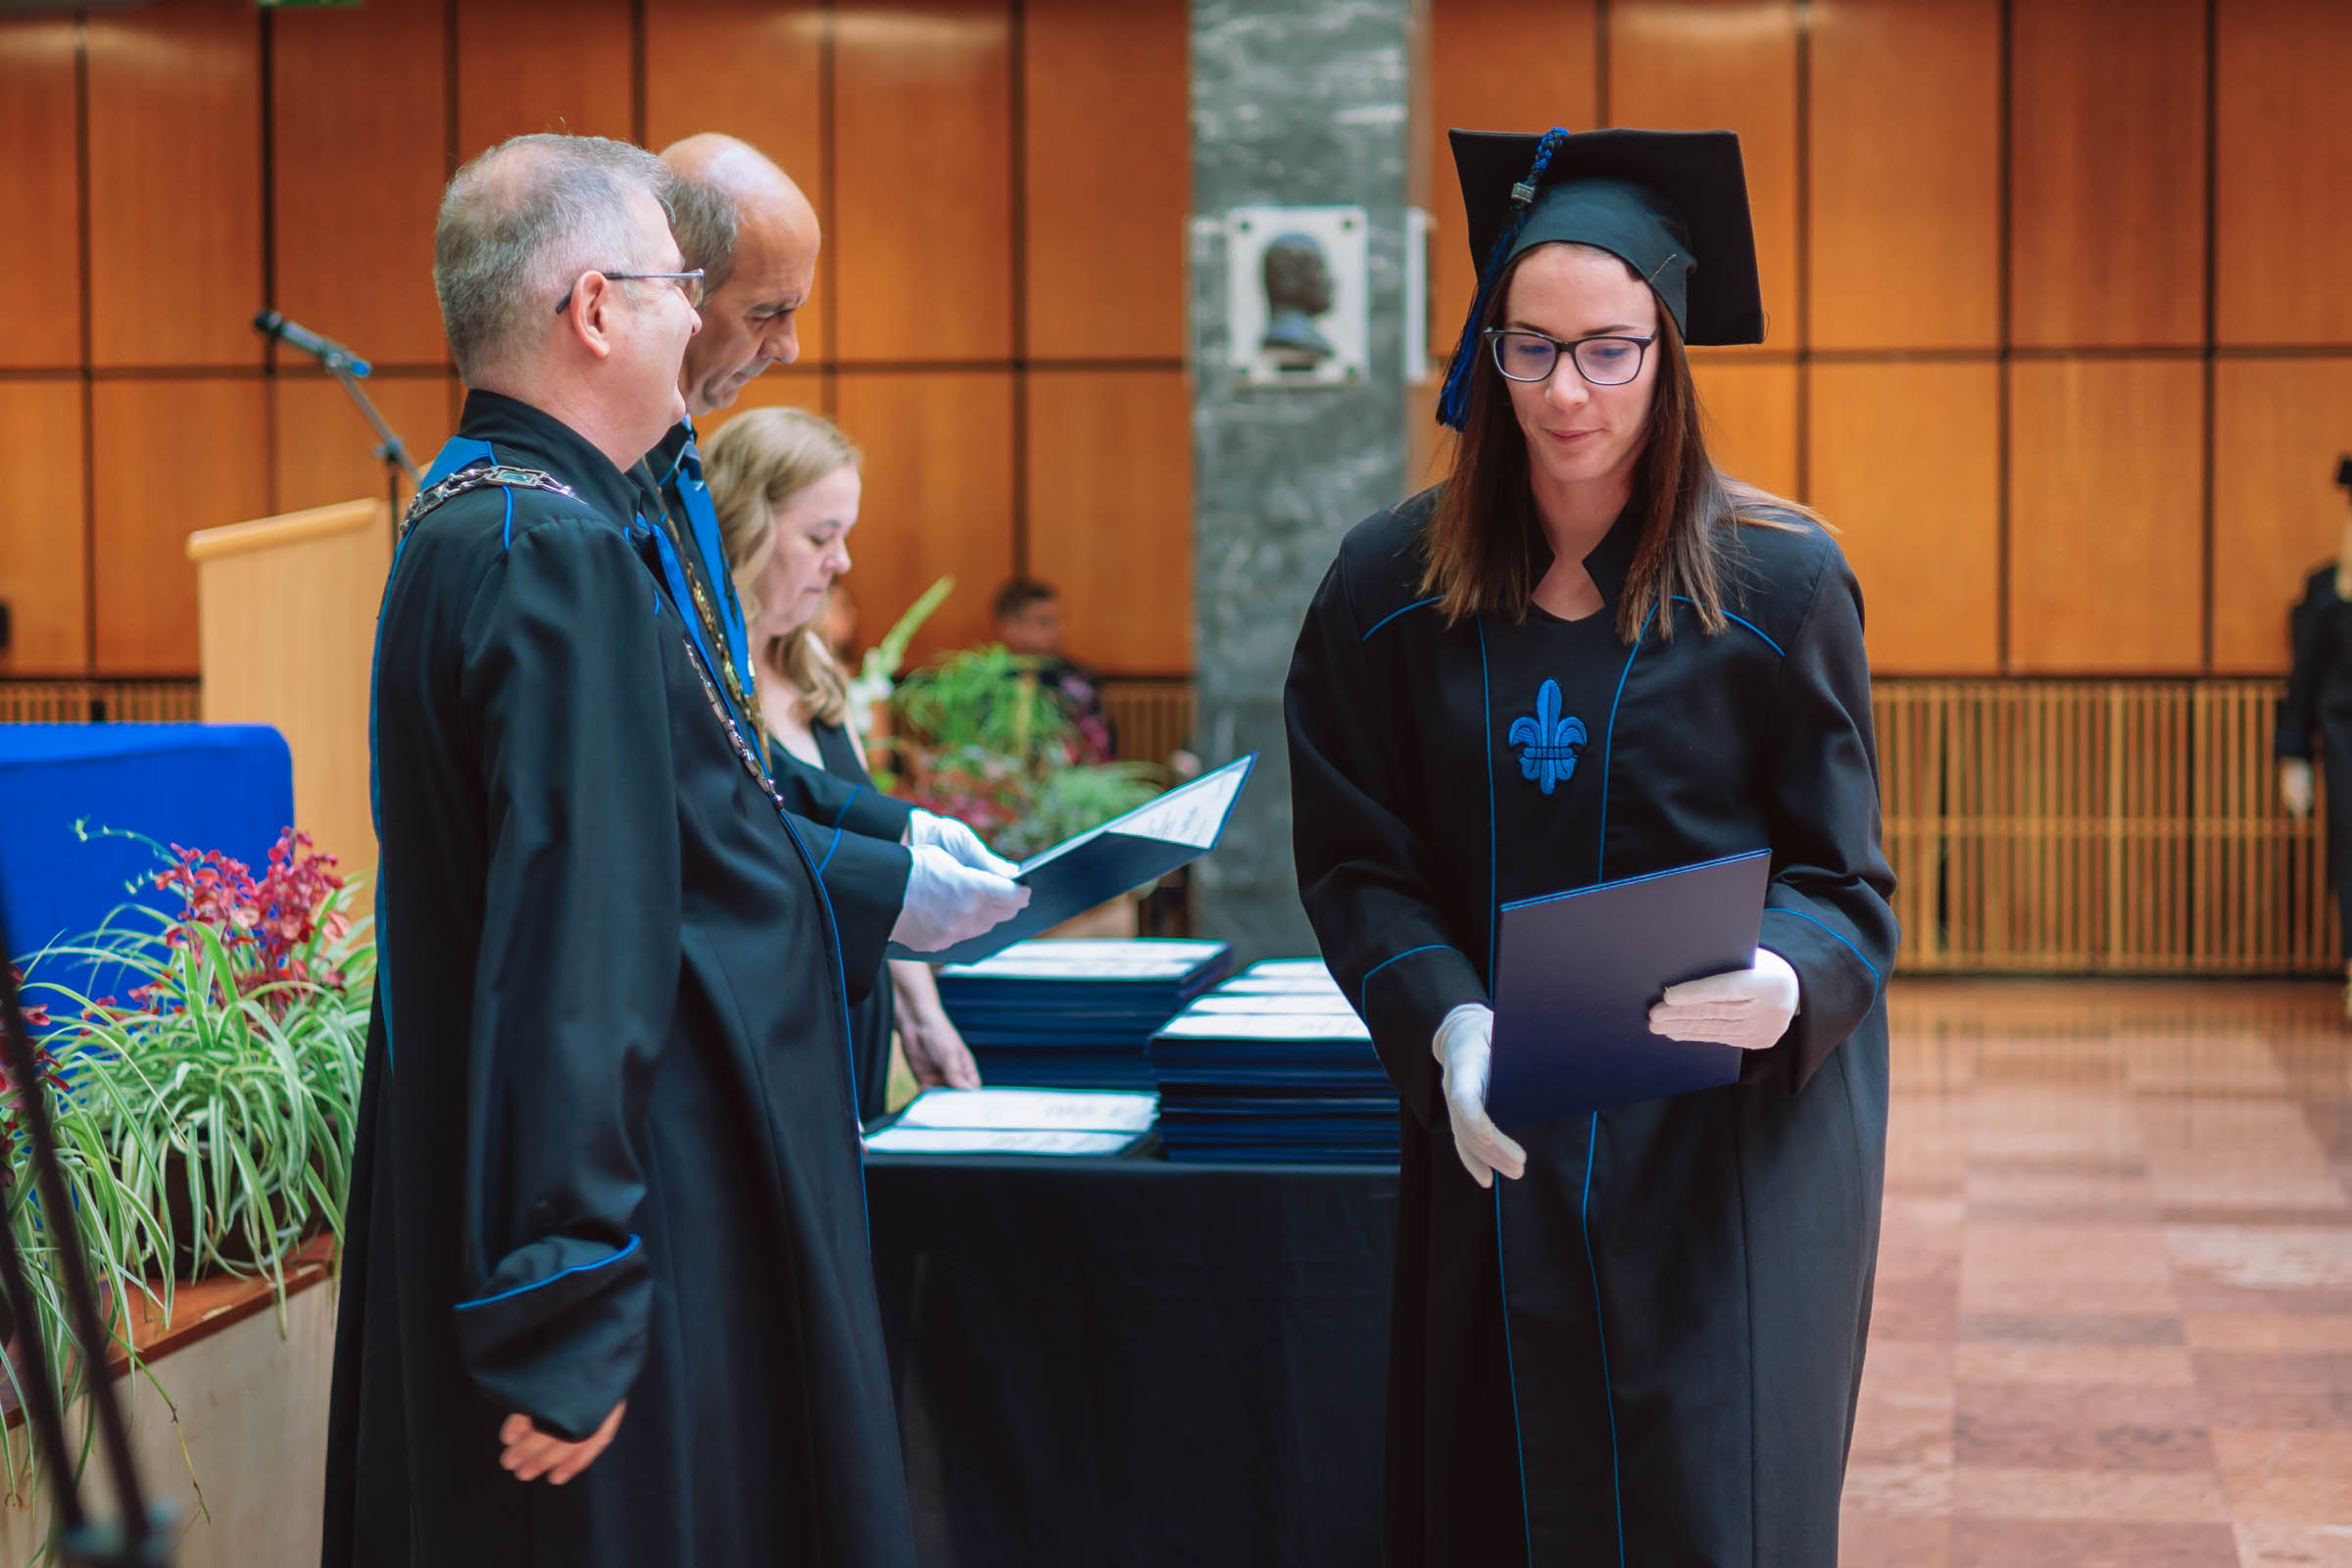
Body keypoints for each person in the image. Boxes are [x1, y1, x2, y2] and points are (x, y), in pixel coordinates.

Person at [323, 133, 1017, 1568]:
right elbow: (576, 929)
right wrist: (567, 1281)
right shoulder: (555, 548)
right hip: (627, 1190)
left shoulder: (488, 511)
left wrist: (886, 850)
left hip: (553, 1170)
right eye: (678, 286)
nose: (698, 317)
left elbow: (706, 791)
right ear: (595, 309)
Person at [1285, 126, 1896, 1565]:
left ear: (1667, 352)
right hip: (1497, 1120)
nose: (1568, 391)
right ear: (1486, 354)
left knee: (1705, 1501)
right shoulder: (1387, 587)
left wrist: (1787, 978)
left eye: (1611, 350)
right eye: (1532, 348)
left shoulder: (1779, 584)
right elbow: (1360, 860)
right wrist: (1447, 1025)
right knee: (1496, 1494)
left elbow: (1844, 884)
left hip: (1718, 1150)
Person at [643, 132, 1021, 956]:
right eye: (765, 312)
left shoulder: (671, 471)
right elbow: (676, 799)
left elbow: (755, 781)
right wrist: (891, 877)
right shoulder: (592, 504)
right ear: (673, 297)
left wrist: (906, 834)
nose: (789, 347)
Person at [707, 404, 989, 1116]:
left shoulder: (812, 668)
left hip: (855, 1013)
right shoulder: (698, 677)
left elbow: (871, 847)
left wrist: (921, 1011)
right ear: (745, 527)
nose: (842, 562)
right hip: (770, 1031)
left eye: (845, 536)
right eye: (819, 536)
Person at [2277, 460, 2352, 1014]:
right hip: (2346, 740)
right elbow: (2304, 679)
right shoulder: (2326, 590)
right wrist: (2293, 756)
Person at [993, 578, 1115, 761]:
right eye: (1044, 622)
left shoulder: (1076, 679)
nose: (1059, 630)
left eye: (1059, 620)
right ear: (1010, 628)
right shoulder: (985, 681)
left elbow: (1099, 748)